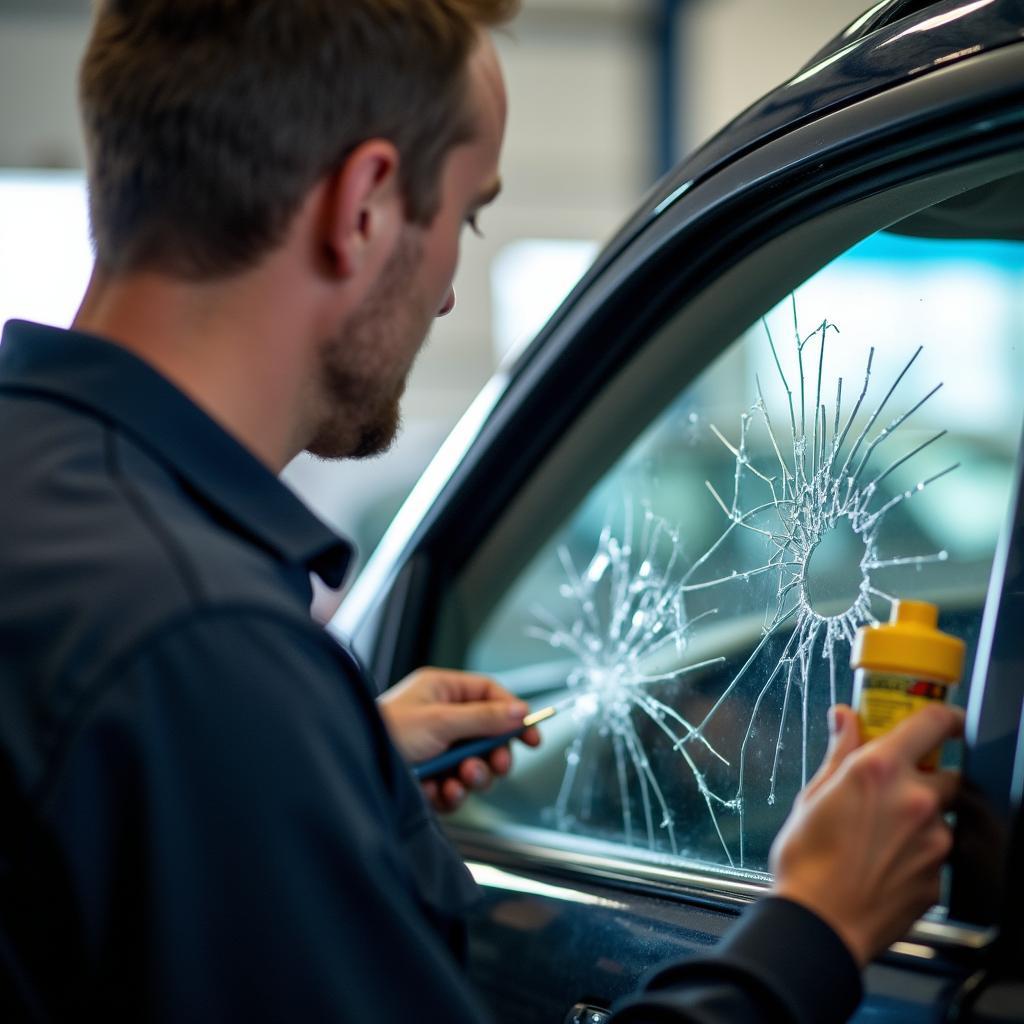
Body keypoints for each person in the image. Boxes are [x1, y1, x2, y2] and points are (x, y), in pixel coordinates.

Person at [0, 1, 963, 1021]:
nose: (449, 293)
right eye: (463, 216)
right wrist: (812, 925)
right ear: (365, 205)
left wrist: (331, 762)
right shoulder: (201, 653)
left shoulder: (75, 540)